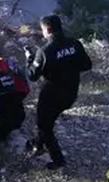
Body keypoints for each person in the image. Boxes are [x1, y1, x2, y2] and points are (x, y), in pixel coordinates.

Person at [26, 15, 92, 170]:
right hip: (71, 93)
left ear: (47, 30)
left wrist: (29, 59)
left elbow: (32, 76)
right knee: (47, 122)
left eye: (42, 30)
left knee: (44, 125)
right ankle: (37, 143)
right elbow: (87, 65)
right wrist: (69, 67)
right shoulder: (75, 44)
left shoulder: (45, 51)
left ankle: (58, 160)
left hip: (51, 95)